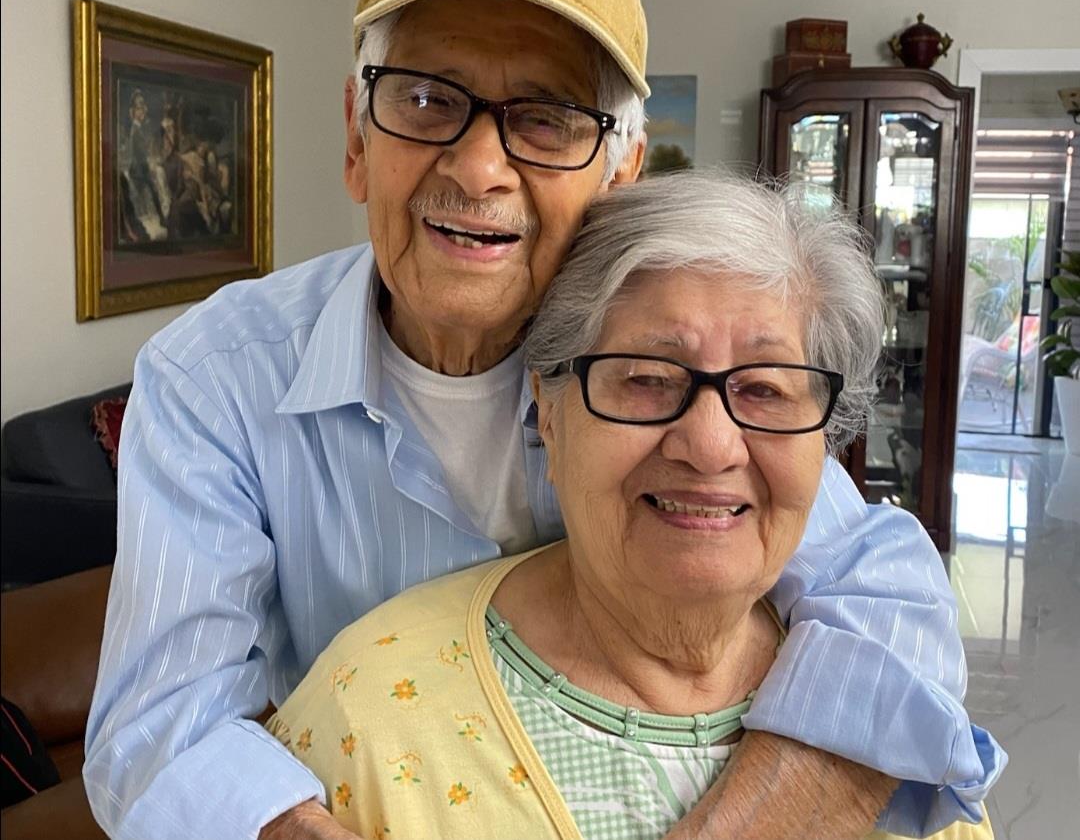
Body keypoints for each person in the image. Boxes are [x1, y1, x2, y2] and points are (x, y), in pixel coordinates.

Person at [85, 0, 1002, 840]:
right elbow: (158, 731)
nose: (478, 168)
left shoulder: (669, 372)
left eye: (548, 118)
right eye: (429, 99)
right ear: (358, 141)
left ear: (621, 176)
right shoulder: (213, 376)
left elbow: (884, 590)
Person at [267, 170, 994, 840]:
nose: (711, 446)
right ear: (547, 411)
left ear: (825, 441)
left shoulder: (897, 706)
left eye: (766, 389)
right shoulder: (367, 720)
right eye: (646, 378)